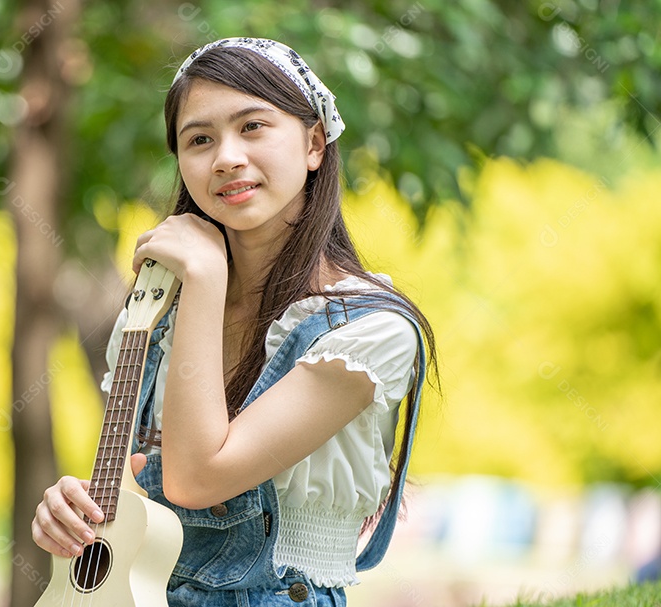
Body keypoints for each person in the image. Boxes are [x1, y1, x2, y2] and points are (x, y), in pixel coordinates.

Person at [32, 37, 438, 606]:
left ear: (315, 142)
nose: (226, 157)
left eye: (252, 127)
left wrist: (203, 278)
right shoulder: (156, 311)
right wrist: (75, 513)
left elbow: (197, 480)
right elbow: (147, 495)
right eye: (199, 139)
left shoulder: (366, 332)